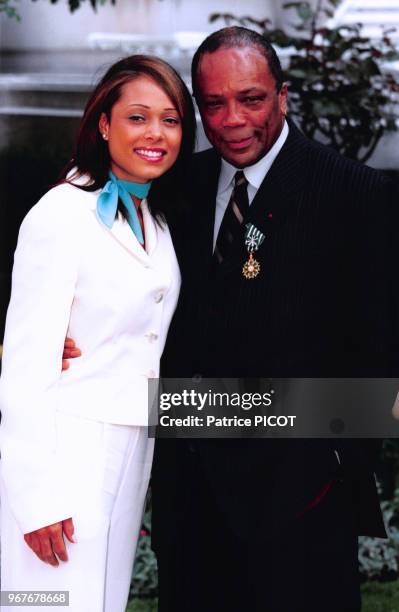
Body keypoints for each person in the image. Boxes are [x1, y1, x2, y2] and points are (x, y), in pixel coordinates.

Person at [62, 28, 398, 612]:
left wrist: (333, 466)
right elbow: (128, 293)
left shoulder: (355, 194)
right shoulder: (172, 188)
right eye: (213, 103)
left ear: (283, 96)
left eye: (251, 99)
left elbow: (382, 351)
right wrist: (71, 338)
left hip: (302, 509)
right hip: (189, 504)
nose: (232, 119)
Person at [0, 54, 196, 612]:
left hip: (131, 442)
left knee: (102, 601)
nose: (156, 133)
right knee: (46, 603)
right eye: (138, 117)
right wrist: (36, 497)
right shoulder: (60, 214)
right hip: (68, 447)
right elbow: (26, 365)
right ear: (104, 124)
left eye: (171, 119)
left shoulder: (154, 216)